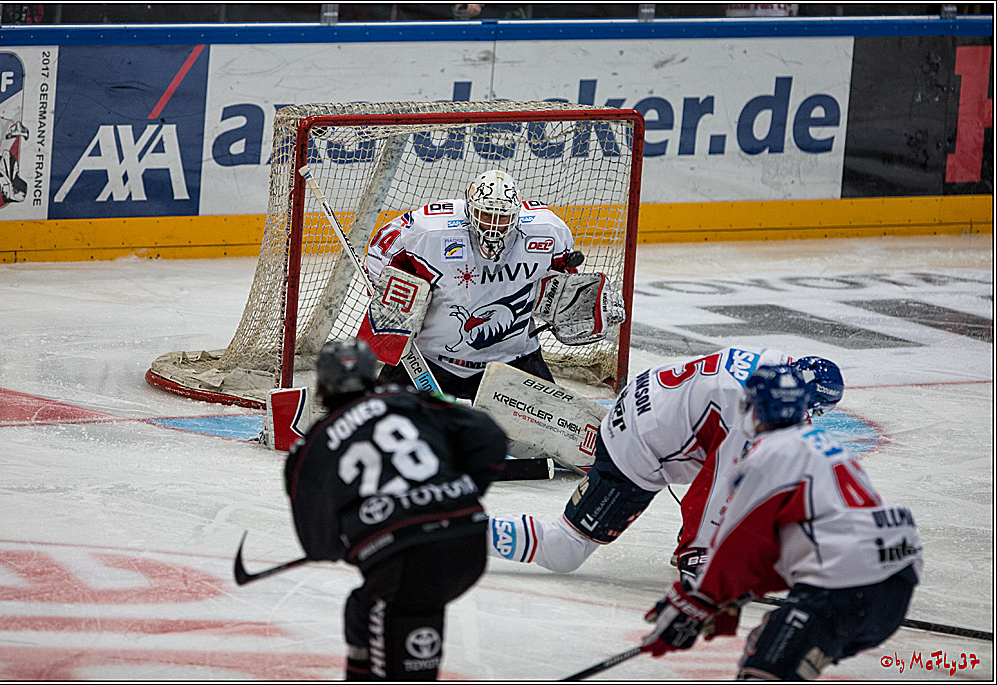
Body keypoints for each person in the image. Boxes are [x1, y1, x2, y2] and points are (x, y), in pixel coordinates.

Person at [640, 364, 921, 680]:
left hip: (845, 586)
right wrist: (731, 596)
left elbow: (741, 541)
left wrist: (696, 600)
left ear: (755, 410)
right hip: (897, 582)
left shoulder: (768, 454)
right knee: (766, 647)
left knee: (764, 671)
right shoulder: (824, 443)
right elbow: (794, 543)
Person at [485, 346, 843, 580]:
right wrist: (696, 554)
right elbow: (713, 490)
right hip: (636, 447)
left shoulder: (772, 362)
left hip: (647, 399)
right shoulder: (751, 414)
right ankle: (463, 528)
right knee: (564, 551)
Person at [283, 338, 508, 680]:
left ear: (322, 384)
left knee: (399, 615)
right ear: (372, 373)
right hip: (469, 540)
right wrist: (456, 492)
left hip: (405, 558)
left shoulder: (310, 446)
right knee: (366, 612)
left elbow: (318, 544)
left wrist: (352, 539)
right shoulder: (410, 400)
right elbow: (489, 436)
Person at [363, 168, 624, 400]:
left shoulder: (548, 230)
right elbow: (379, 253)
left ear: (517, 213)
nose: (493, 226)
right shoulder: (431, 230)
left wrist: (583, 302)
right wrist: (394, 301)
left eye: (502, 217)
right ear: (469, 208)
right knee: (377, 428)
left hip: (514, 359)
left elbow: (564, 281)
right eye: (485, 215)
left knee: (550, 445)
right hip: (430, 360)